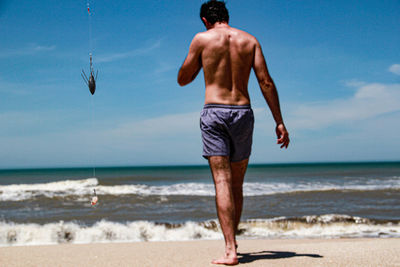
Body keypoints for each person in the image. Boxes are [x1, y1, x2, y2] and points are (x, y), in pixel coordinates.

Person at [177, 0, 289, 265]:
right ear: (226, 16)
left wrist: (204, 62)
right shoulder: (250, 41)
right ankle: (234, 241)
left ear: (205, 20)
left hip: (214, 112)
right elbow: (265, 81)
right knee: (236, 183)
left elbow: (183, 78)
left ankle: (229, 249)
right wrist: (279, 121)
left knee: (222, 181)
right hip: (243, 112)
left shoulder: (201, 39)